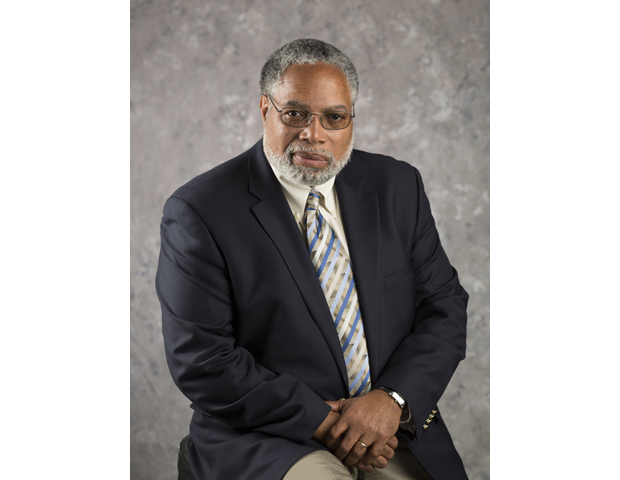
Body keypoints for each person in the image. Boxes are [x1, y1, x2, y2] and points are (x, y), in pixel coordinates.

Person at [156, 38, 469, 480]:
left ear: (350, 121)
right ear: (266, 109)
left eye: (334, 118)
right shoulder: (200, 211)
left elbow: (445, 309)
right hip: (265, 433)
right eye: (296, 113)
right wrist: (329, 424)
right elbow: (202, 359)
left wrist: (390, 401)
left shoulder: (397, 186)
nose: (314, 133)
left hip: (387, 423)